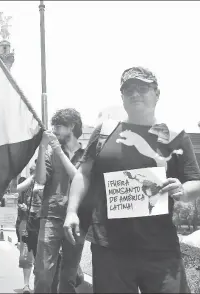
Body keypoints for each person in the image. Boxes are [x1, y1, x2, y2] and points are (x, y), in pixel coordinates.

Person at [64, 66, 200, 293]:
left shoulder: (174, 137)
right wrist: (71, 211)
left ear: (157, 94)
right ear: (122, 98)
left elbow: (195, 182)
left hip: (161, 248)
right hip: (110, 248)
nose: (135, 94)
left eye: (142, 88)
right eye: (129, 90)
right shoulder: (106, 131)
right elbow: (83, 173)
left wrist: (183, 191)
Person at [33, 108, 86, 293]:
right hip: (50, 216)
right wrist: (42, 147)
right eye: (53, 126)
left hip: (77, 220)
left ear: (72, 126)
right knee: (43, 272)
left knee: (69, 276)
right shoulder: (50, 152)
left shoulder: (87, 155)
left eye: (58, 126)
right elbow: (40, 179)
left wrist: (58, 151)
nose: (54, 130)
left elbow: (78, 178)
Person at [13, 165, 43, 293]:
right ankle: (26, 285)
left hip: (41, 223)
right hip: (25, 222)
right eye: (31, 172)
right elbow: (16, 195)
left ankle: (39, 285)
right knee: (26, 256)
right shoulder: (25, 186)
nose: (33, 174)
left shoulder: (46, 184)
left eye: (35, 172)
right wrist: (23, 207)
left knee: (40, 257)